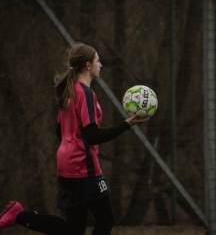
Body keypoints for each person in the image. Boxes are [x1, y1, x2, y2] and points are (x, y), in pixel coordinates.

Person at [0, 42, 149, 235]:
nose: (100, 65)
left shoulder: (69, 92)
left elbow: (59, 132)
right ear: (88, 65)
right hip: (83, 167)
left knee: (73, 229)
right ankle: (19, 215)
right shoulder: (86, 93)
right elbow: (92, 136)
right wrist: (127, 124)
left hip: (66, 164)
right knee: (106, 220)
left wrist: (72, 144)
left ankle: (19, 215)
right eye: (97, 60)